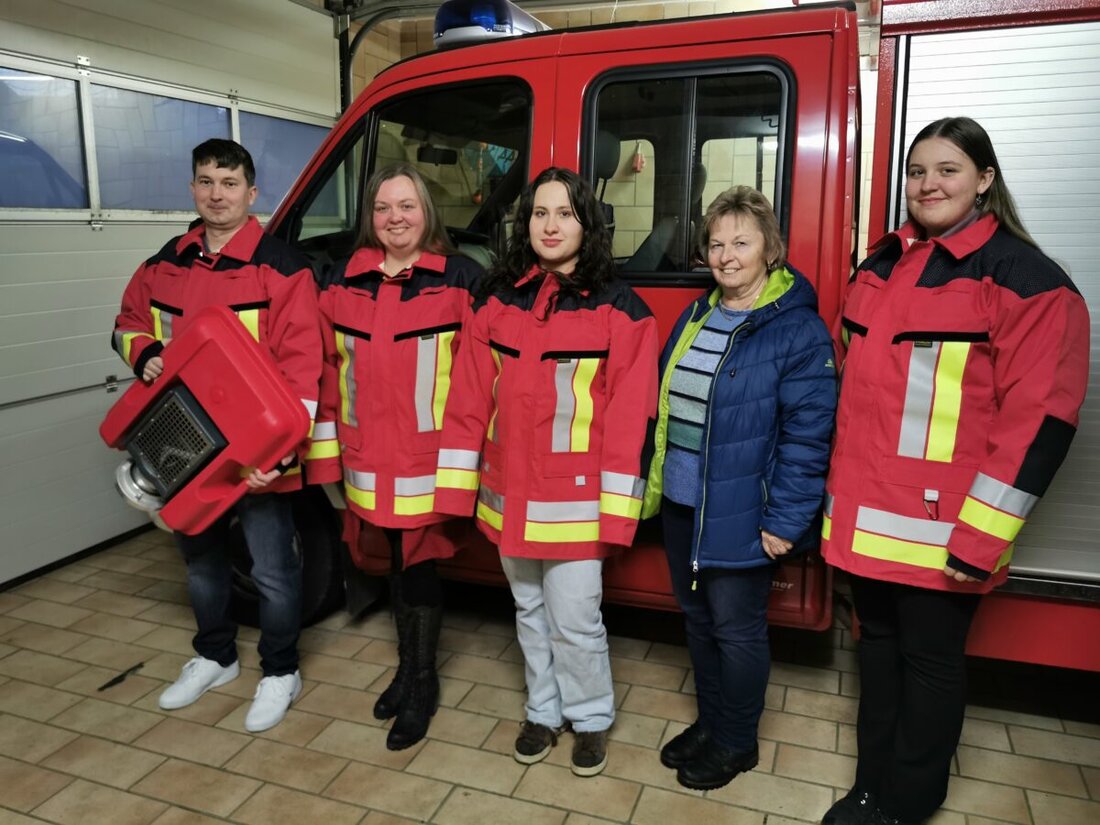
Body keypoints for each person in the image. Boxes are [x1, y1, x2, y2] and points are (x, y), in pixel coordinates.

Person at [819, 117, 1090, 825]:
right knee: (876, 660)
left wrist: (980, 540)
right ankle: (870, 787)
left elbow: (1041, 425)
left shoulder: (1027, 280)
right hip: (867, 522)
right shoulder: (882, 264)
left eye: (947, 169)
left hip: (945, 532)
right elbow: (856, 399)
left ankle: (908, 804)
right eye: (917, 171)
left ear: (985, 179)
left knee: (931, 668)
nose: (928, 184)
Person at [434, 167, 659, 777]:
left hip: (575, 504)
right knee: (528, 612)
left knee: (576, 620)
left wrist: (617, 515)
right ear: (524, 222)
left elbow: (629, 419)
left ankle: (588, 719)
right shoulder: (496, 298)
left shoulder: (621, 310)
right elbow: (468, 398)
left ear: (588, 223)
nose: (551, 225)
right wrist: (457, 489)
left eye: (564, 213)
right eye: (539, 213)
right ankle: (543, 709)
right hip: (508, 492)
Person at [111, 138, 322, 732]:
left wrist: (280, 458)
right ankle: (215, 656)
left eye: (229, 184)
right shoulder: (165, 262)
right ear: (193, 189)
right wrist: (146, 352)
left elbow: (306, 370)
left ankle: (281, 670)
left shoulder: (282, 268)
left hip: (255, 454)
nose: (216, 194)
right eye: (205, 182)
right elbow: (127, 321)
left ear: (252, 194)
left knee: (274, 570)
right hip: (181, 443)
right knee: (201, 565)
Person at [641, 186, 837, 790]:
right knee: (698, 623)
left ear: (769, 249)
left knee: (737, 628)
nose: (726, 256)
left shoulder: (797, 330)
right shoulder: (699, 314)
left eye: (741, 243)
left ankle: (736, 742)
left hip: (742, 508)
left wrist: (785, 520)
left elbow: (809, 436)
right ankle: (712, 721)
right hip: (682, 501)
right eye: (716, 243)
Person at [307, 163, 483, 750]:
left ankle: (422, 681)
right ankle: (407, 671)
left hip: (428, 460)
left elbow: (478, 382)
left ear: (426, 212)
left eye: (406, 206)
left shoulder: (461, 280)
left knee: (420, 567)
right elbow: (328, 372)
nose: (395, 218)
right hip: (365, 457)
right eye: (383, 208)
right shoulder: (342, 281)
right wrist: (329, 458)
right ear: (370, 217)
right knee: (388, 565)